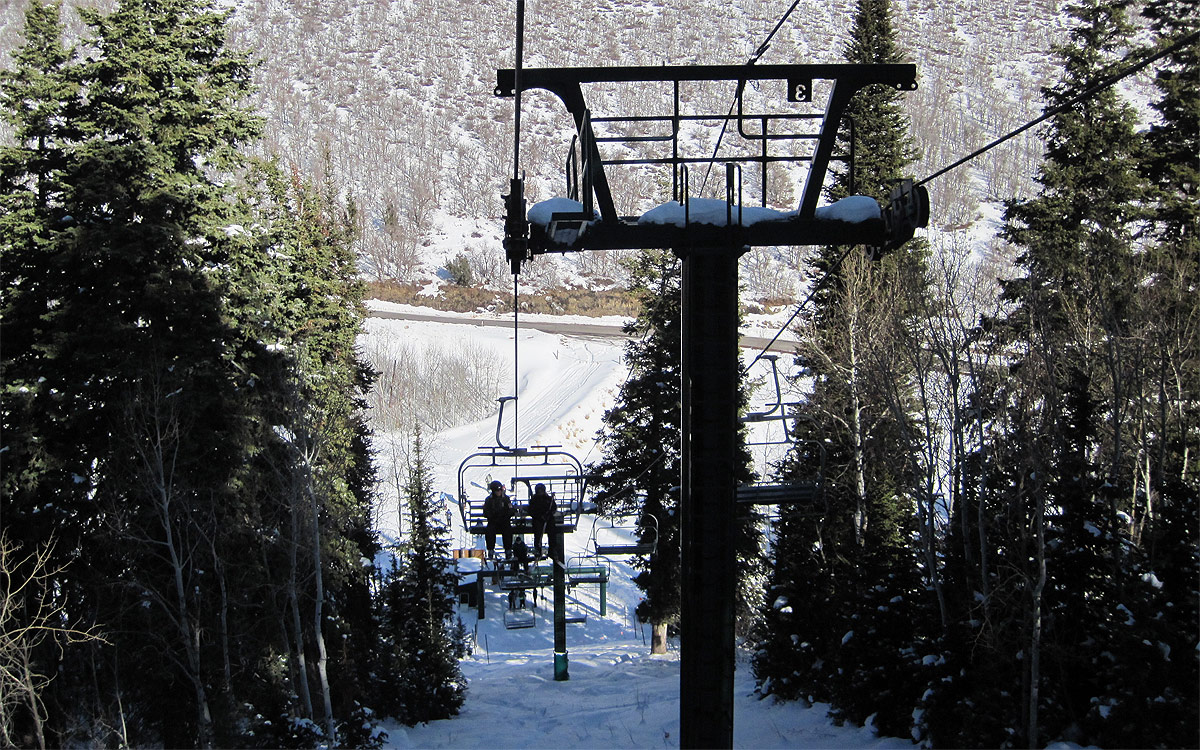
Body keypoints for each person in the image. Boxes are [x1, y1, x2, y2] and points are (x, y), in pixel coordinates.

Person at [482, 480, 515, 559]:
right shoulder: (489, 500)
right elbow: (486, 512)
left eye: (500, 490)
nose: (499, 492)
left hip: (504, 521)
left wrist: (506, 515)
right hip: (493, 521)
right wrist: (492, 516)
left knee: (507, 530)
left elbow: (511, 510)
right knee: (490, 531)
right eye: (497, 491)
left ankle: (508, 550)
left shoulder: (505, 499)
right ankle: (490, 549)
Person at [527, 482, 556, 559]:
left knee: (552, 530)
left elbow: (553, 507)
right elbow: (531, 511)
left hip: (548, 519)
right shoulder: (534, 500)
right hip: (538, 519)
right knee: (537, 531)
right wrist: (539, 516)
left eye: (541, 491)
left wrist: (549, 514)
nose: (540, 493)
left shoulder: (548, 499)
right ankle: (538, 549)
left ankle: (552, 549)